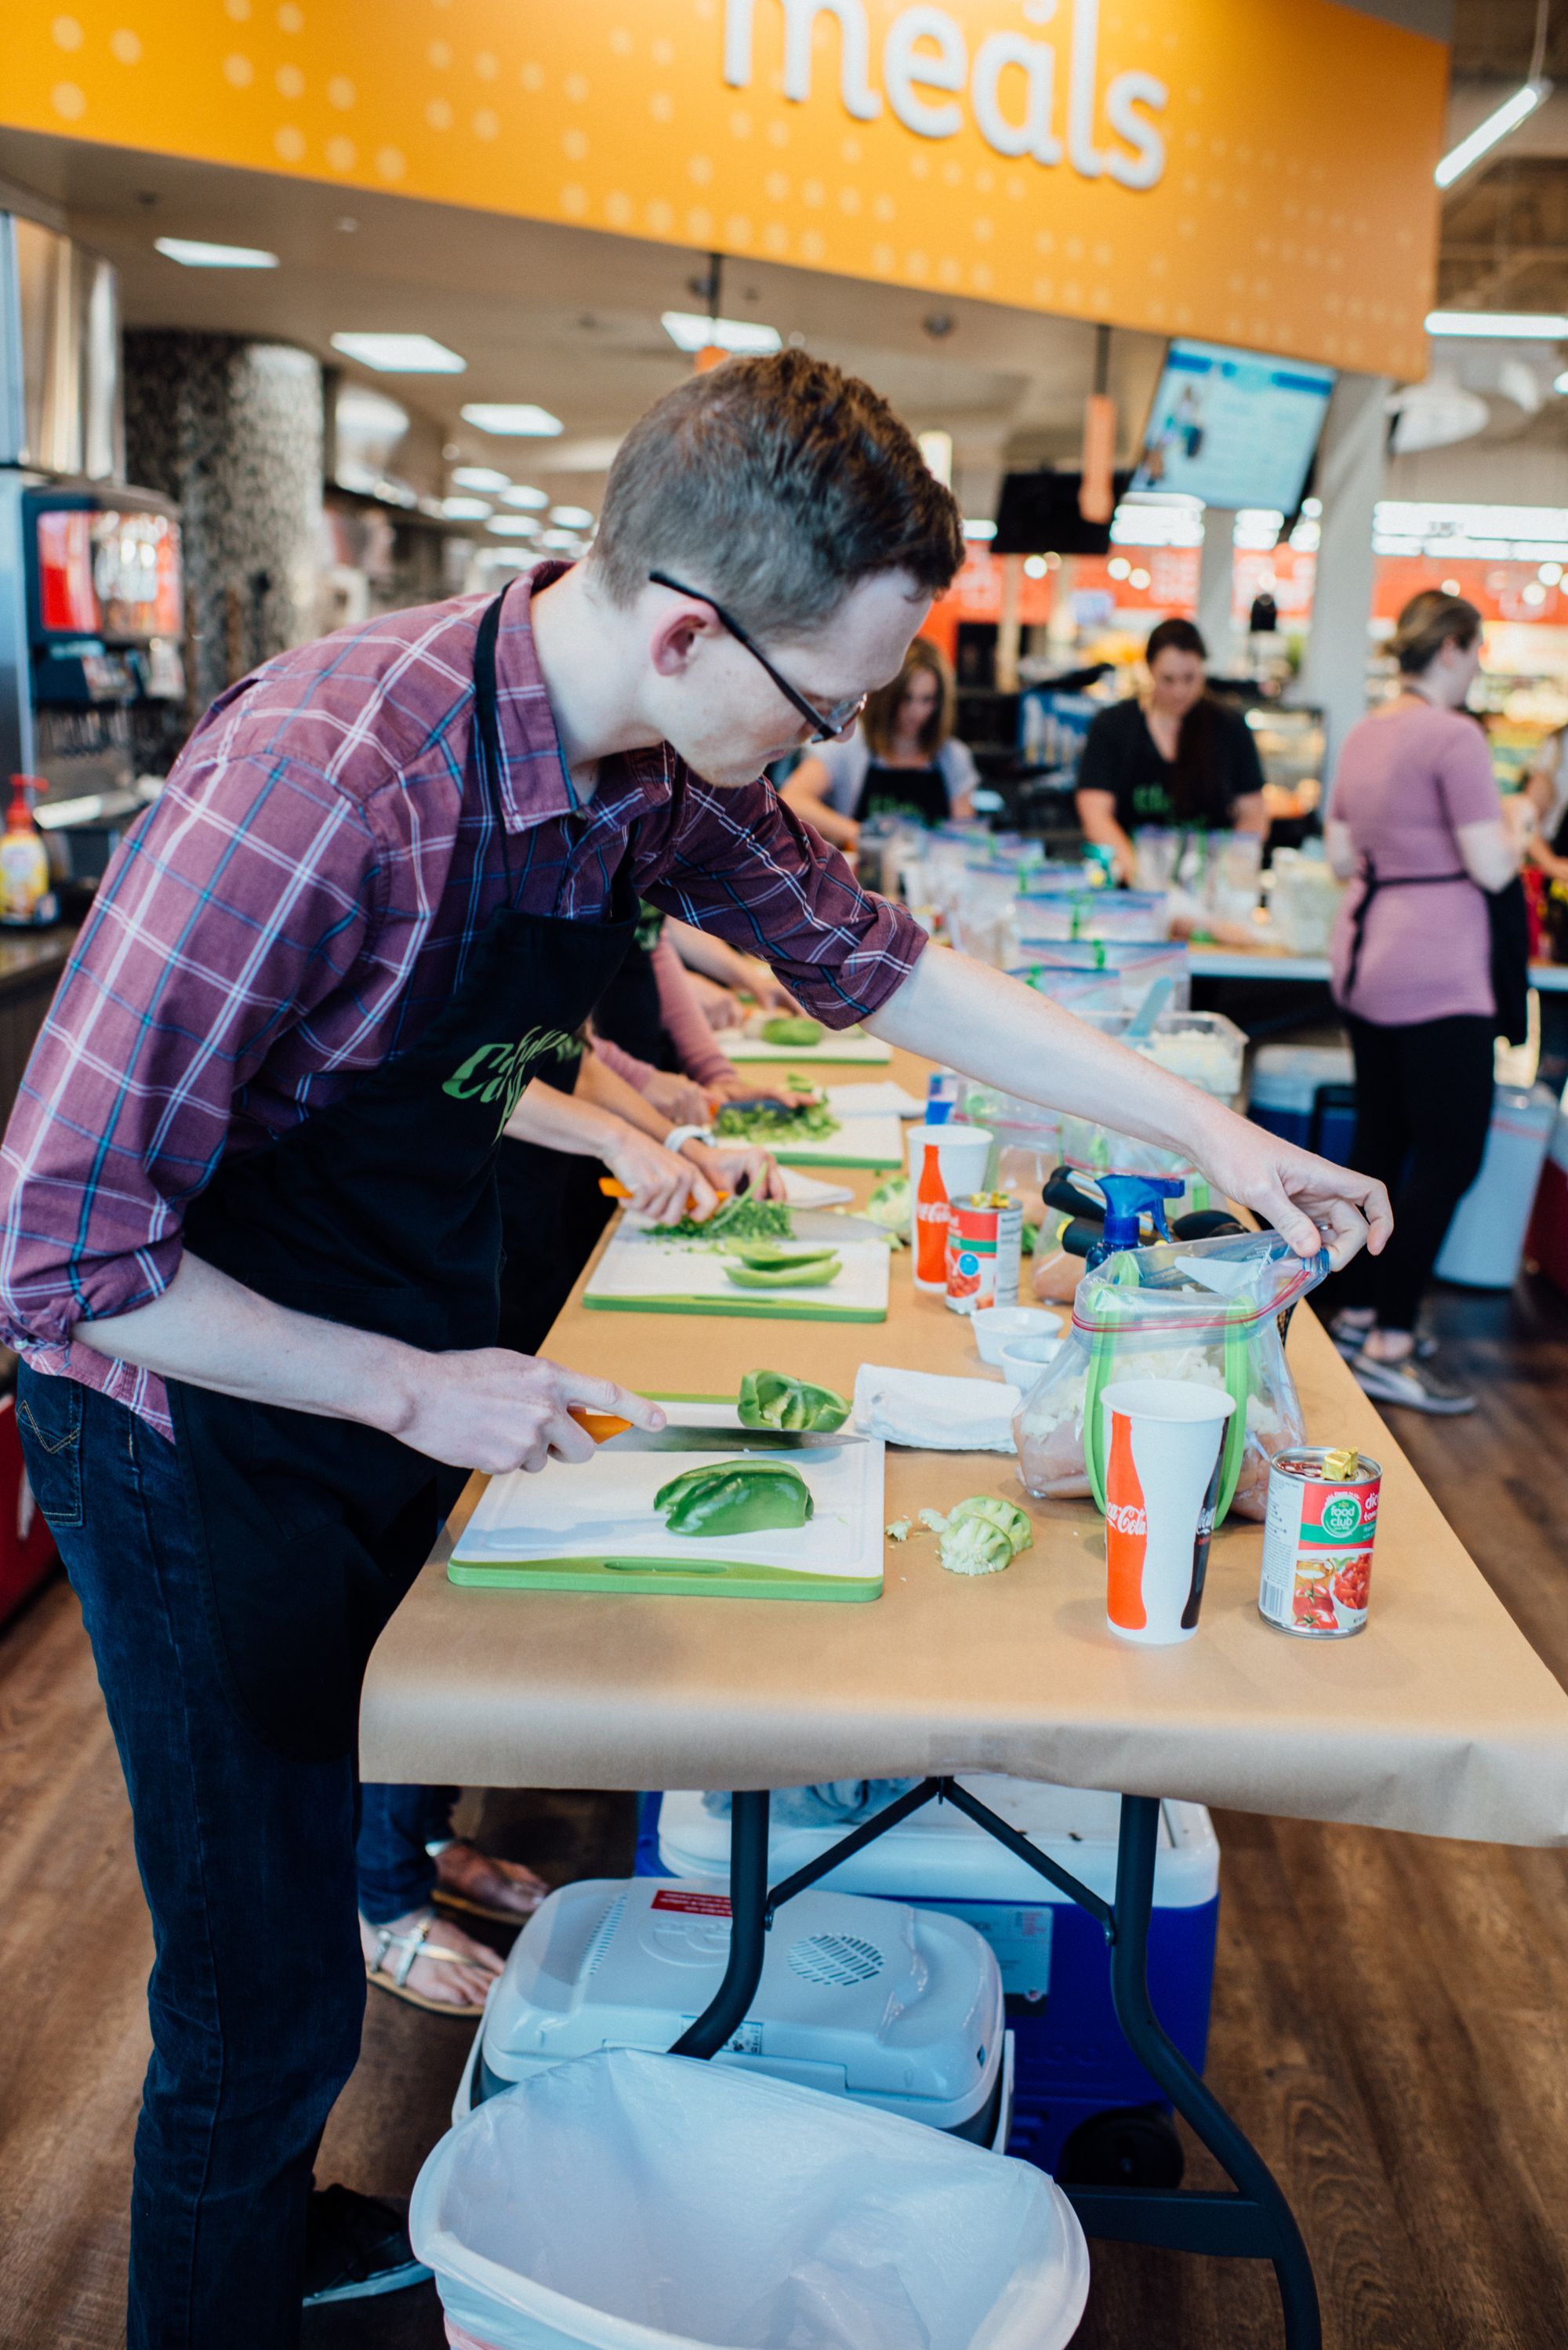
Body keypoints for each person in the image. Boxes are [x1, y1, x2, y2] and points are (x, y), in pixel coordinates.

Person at [0, 350, 1389, 2348]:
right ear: (678, 624)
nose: (819, 749)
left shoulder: (642, 773)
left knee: (334, 1851)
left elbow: (886, 967)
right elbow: (55, 1245)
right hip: (179, 1407)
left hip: (385, 1336)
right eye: (818, 704)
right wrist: (405, 1384)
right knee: (259, 1977)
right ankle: (210, 2277)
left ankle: (271, 2229)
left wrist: (1200, 1129)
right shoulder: (324, 779)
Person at [1323, 589, 1519, 1414]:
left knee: (1379, 1140)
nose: (1476, 669)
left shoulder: (1367, 732)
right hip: (1438, 973)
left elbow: (1339, 853)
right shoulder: (1454, 737)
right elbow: (1493, 868)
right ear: (1450, 649)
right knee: (1449, 1153)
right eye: (1474, 654)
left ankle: (1356, 1308)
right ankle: (1392, 1337)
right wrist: (1521, 820)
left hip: (1367, 959)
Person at [1073, 616, 1269, 882]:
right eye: (1169, 680)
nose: (1180, 691)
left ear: (1203, 668)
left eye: (1190, 679)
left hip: (1209, 884)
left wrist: (1227, 869)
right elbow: (1095, 811)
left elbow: (1254, 812)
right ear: (1150, 670)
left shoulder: (1230, 727)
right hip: (1133, 886)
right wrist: (1138, 874)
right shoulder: (1113, 726)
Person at [782, 636, 977, 850]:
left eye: (927, 700)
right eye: (907, 698)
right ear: (887, 697)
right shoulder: (851, 747)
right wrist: (858, 834)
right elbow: (792, 798)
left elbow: (964, 835)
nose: (916, 712)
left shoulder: (953, 757)